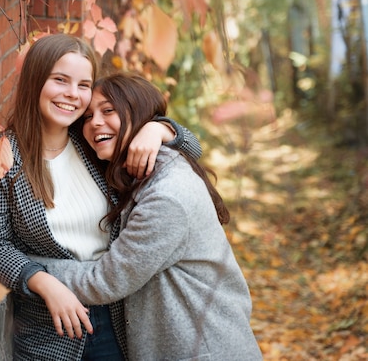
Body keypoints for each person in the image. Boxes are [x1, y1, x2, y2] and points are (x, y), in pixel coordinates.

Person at [0, 34, 202, 361]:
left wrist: (159, 130)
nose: (72, 95)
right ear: (36, 80)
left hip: (120, 321)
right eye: (60, 80)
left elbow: (193, 148)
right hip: (49, 329)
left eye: (83, 85)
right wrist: (44, 283)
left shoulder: (93, 142)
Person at [28, 72, 263, 360]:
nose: (95, 123)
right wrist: (161, 129)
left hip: (204, 349)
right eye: (88, 117)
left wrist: (29, 270)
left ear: (138, 116)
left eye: (108, 111)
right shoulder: (142, 168)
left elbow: (104, 281)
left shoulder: (166, 197)